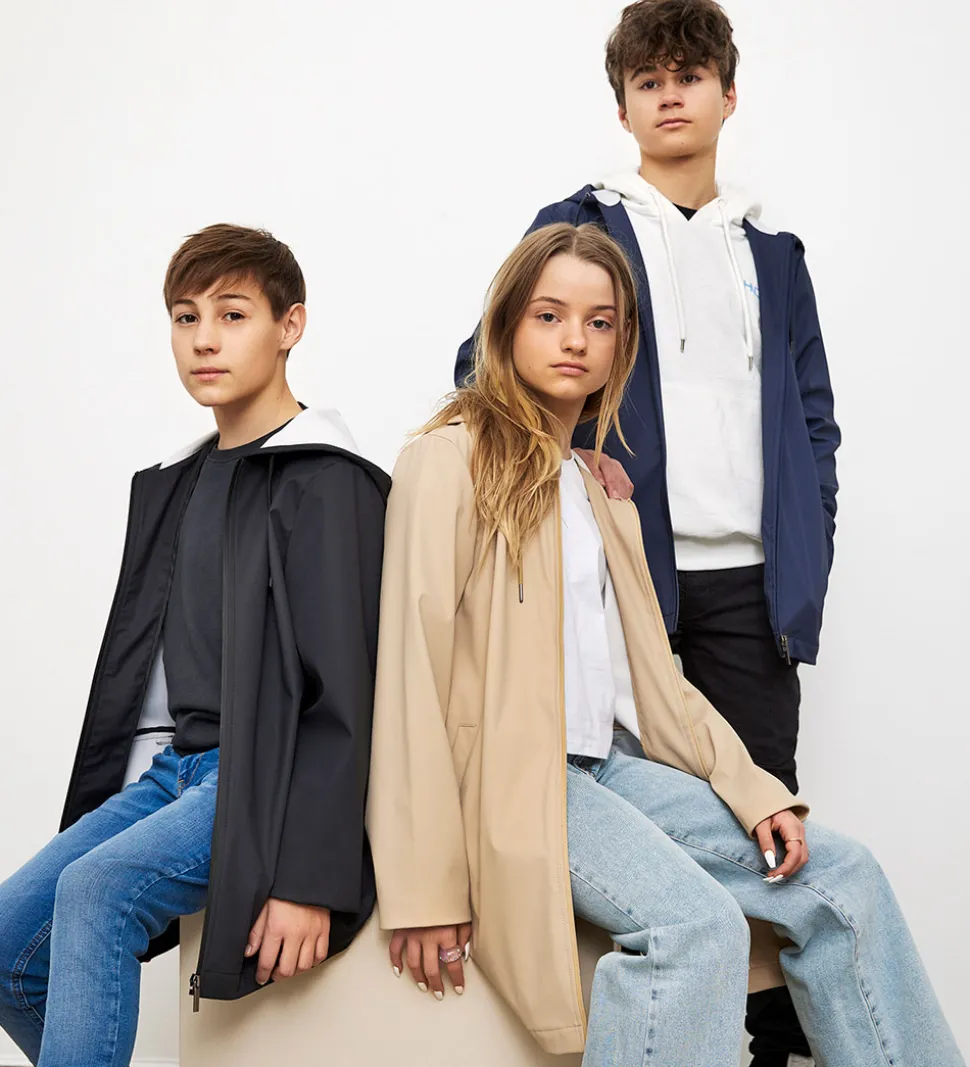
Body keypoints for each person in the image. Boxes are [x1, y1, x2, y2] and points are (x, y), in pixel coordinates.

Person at [370, 221, 963, 1067]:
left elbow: (659, 682)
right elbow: (409, 673)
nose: (575, 339)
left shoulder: (601, 491)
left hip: (608, 769)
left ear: (623, 345)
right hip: (514, 782)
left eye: (600, 321)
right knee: (696, 927)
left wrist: (755, 792)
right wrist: (421, 887)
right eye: (548, 315)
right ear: (504, 327)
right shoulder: (448, 459)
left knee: (842, 875)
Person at [454, 3, 838, 1060]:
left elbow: (813, 418)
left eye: (689, 76)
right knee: (626, 836)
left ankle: (758, 1046)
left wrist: (807, 556)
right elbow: (487, 363)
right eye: (648, 81)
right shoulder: (583, 224)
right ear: (621, 106)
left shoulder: (774, 253)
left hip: (751, 589)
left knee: (765, 842)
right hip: (625, 576)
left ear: (727, 93)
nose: (670, 95)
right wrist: (574, 459)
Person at [0, 224, 389, 1067]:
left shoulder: (329, 481)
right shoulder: (176, 483)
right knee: (8, 938)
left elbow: (347, 699)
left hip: (259, 775)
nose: (205, 339)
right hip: (174, 771)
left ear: (290, 325)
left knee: (97, 890)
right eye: (186, 317)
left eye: (233, 314)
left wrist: (309, 878)